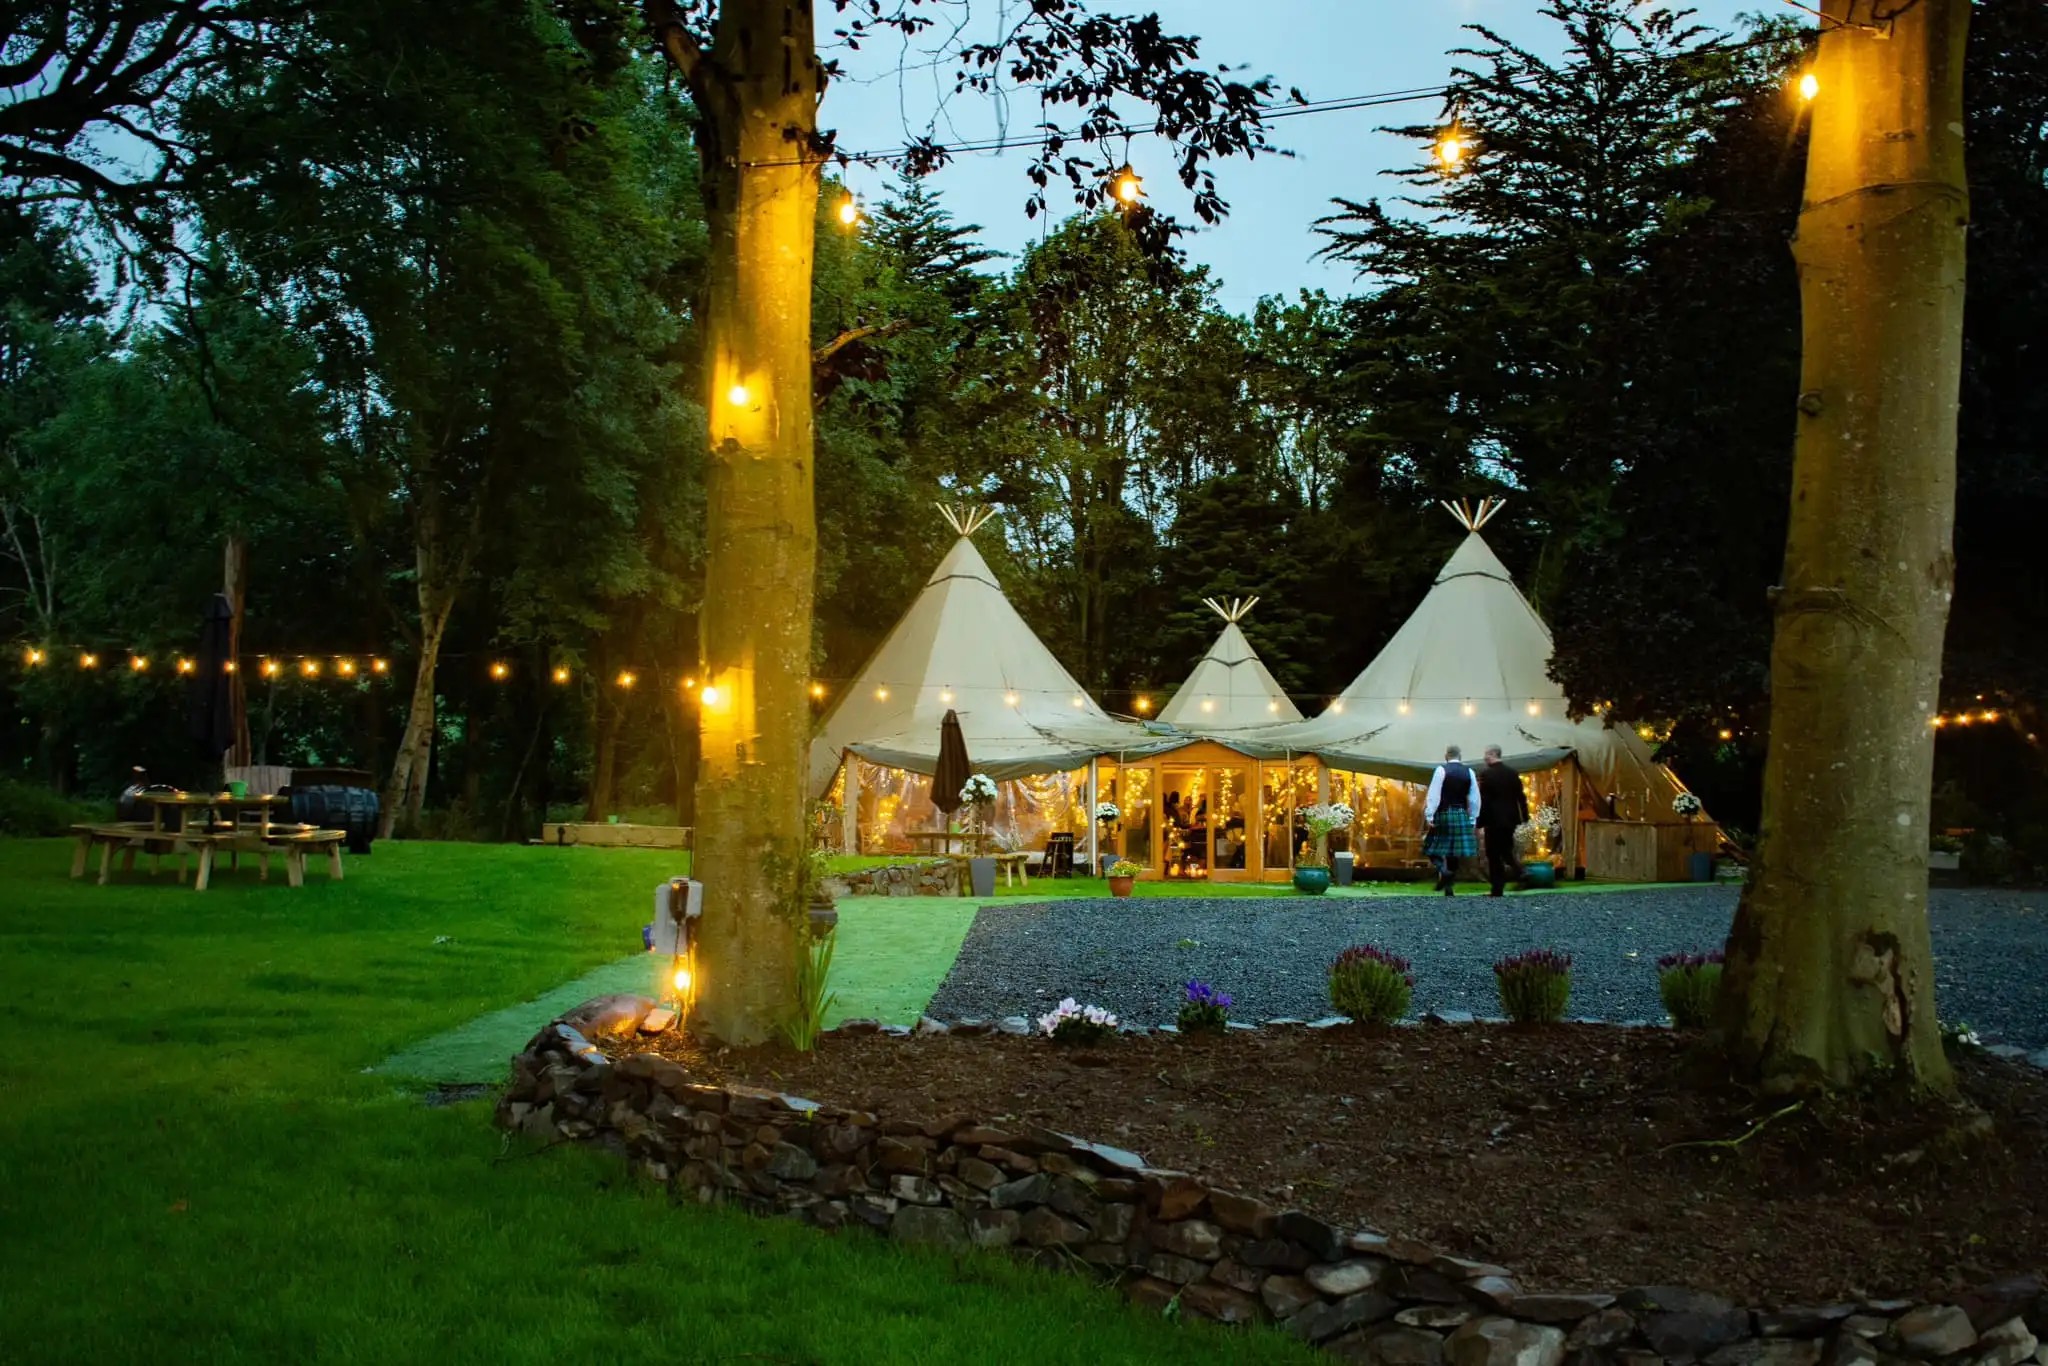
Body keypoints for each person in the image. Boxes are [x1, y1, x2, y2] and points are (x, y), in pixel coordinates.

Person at [1421, 744, 1480, 896]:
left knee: (1430, 847)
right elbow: (1474, 798)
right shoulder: (1470, 772)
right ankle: (1449, 887)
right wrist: (1473, 817)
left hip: (1444, 813)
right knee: (1453, 852)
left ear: (1446, 756)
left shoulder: (1441, 770)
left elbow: (1434, 795)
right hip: (1461, 814)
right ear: (1460, 756)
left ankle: (1443, 871)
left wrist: (1429, 814)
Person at [1475, 744, 1530, 897]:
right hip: (1510, 820)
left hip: (1493, 820)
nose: (1484, 757)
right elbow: (1521, 796)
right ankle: (1520, 871)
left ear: (1493, 754)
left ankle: (1497, 888)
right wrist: (1524, 816)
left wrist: (1480, 821)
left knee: (1493, 854)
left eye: (1486, 754)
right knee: (1506, 850)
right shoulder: (1512, 773)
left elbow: (1484, 800)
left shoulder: (1486, 774)